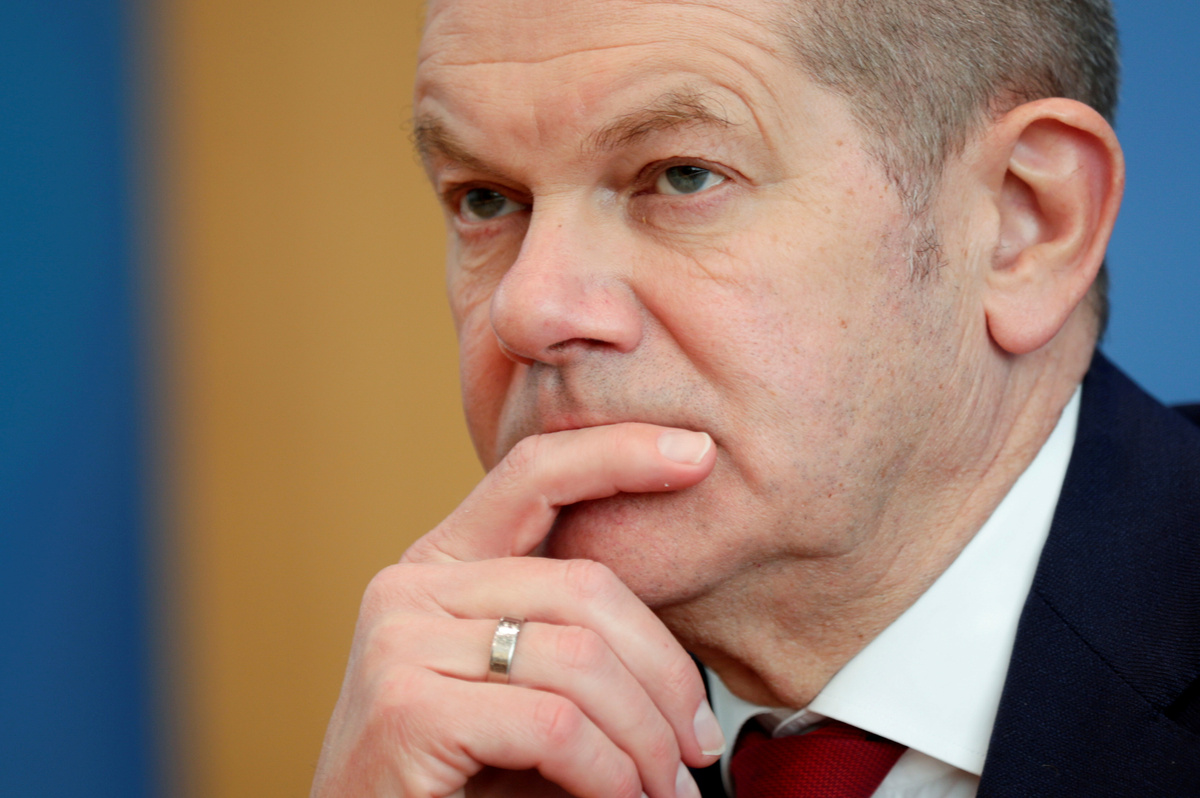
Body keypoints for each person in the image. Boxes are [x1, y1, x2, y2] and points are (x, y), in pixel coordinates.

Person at [312, 0, 1200, 795]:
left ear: (1024, 222)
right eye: (485, 199)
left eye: (682, 176)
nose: (527, 310)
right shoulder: (486, 746)